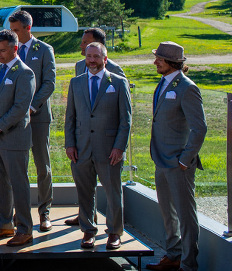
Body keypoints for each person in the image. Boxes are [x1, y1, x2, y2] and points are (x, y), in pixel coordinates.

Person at [145, 42, 207, 271]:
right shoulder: (163, 83)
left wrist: (185, 159)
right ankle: (173, 256)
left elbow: (199, 129)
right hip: (160, 161)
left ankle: (189, 264)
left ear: (173, 62)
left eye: (159, 59)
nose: (155, 62)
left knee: (185, 216)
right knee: (167, 213)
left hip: (178, 164)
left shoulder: (187, 88)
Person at [64, 42, 131, 250]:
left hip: (109, 149)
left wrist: (119, 147)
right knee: (85, 192)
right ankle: (88, 230)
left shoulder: (119, 83)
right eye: (88, 56)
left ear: (105, 58)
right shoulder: (76, 83)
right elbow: (70, 118)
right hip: (81, 149)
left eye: (96, 56)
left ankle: (114, 232)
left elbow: (125, 120)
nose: (91, 60)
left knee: (113, 193)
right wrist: (70, 144)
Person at [0, 29, 35, 247]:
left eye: (3, 51)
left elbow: (21, 107)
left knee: (18, 185)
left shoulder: (25, 73)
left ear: (15, 48)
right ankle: (5, 224)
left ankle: (25, 229)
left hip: (14, 138)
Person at [8, 9, 56, 232]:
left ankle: (44, 212)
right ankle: (21, 211)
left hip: (37, 117)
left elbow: (49, 83)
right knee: (19, 167)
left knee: (42, 166)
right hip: (15, 120)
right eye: (12, 31)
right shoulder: (11, 50)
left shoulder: (44, 50)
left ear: (29, 27)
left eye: (17, 30)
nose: (14, 35)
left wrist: (31, 107)